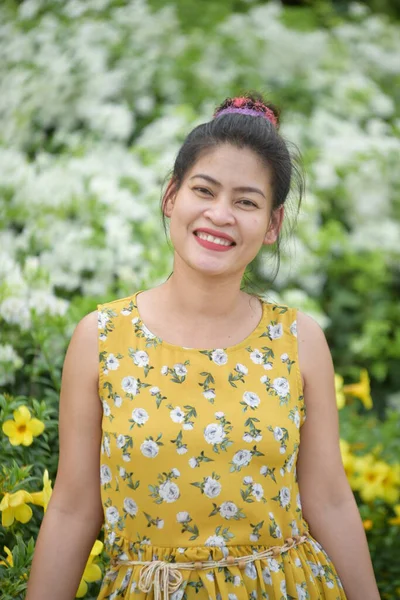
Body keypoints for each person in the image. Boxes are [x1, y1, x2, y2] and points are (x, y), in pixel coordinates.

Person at [26, 93, 380, 600]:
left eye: (246, 202)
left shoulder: (300, 340)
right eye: (204, 190)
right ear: (172, 196)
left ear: (272, 225)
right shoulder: (101, 337)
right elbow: (73, 508)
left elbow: (328, 499)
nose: (220, 215)